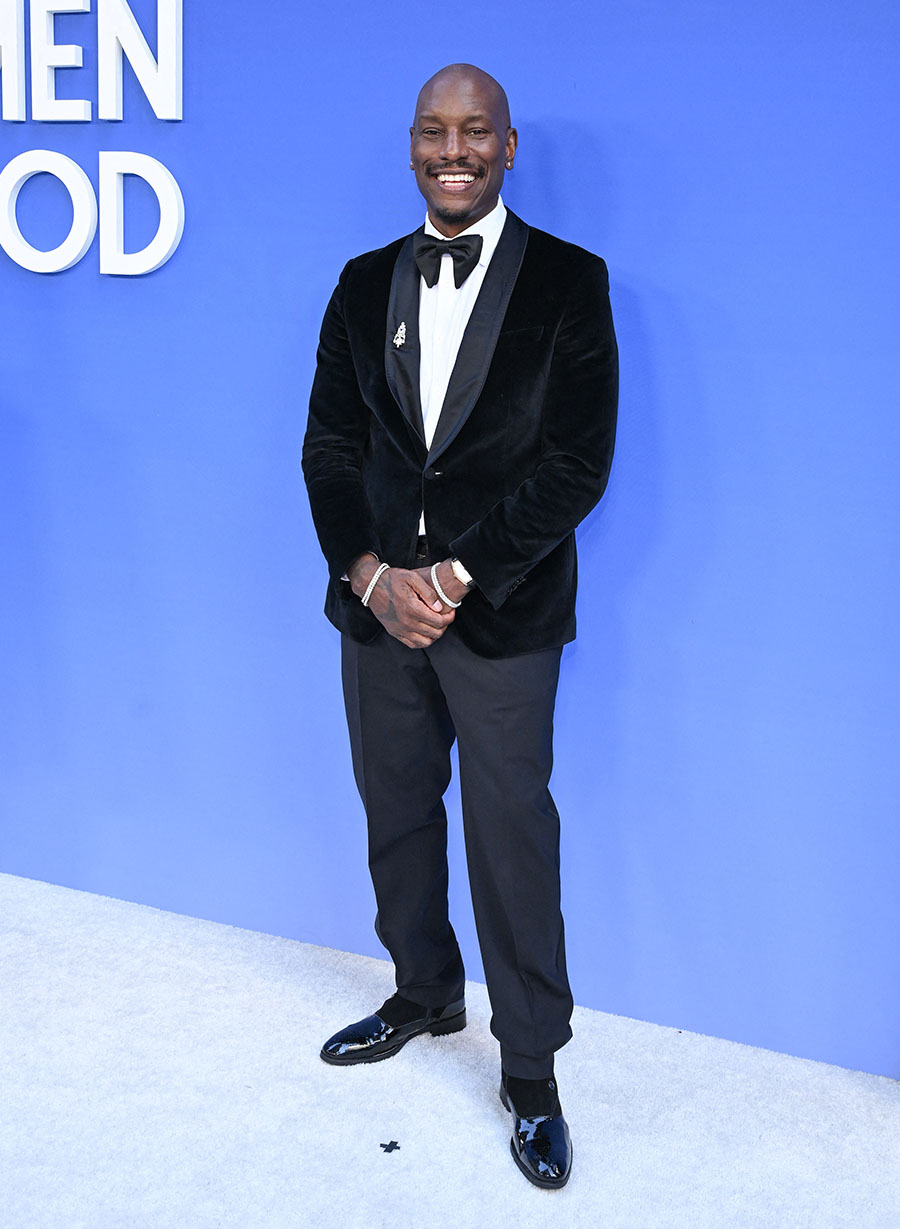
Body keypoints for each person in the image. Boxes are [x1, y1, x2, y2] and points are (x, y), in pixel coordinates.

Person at [302, 63, 617, 1189]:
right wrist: (372, 572)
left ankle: (529, 1069)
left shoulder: (571, 281)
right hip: (376, 611)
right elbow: (330, 447)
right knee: (394, 810)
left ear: (508, 146)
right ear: (411, 145)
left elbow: (578, 461)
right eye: (434, 131)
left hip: (503, 612)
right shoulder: (359, 283)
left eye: (474, 131)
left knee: (510, 833)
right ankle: (423, 991)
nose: (453, 150)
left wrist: (455, 573)